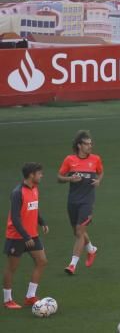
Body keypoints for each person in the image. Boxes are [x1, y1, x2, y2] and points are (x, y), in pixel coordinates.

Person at [57, 130, 103, 276]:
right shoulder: (69, 160)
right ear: (79, 145)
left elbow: (101, 172)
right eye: (87, 144)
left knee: (79, 232)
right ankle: (91, 249)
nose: (90, 146)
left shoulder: (95, 159)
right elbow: (59, 177)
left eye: (91, 144)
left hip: (87, 202)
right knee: (78, 232)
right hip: (72, 201)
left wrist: (98, 180)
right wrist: (70, 179)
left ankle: (72, 265)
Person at [4, 163, 49, 309]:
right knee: (12, 268)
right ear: (31, 175)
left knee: (42, 261)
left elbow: (34, 208)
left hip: (32, 235)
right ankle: (7, 300)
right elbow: (15, 218)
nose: (41, 175)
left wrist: (41, 222)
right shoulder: (18, 192)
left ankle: (30, 296)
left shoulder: (35, 188)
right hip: (17, 237)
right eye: (39, 173)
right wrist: (25, 236)